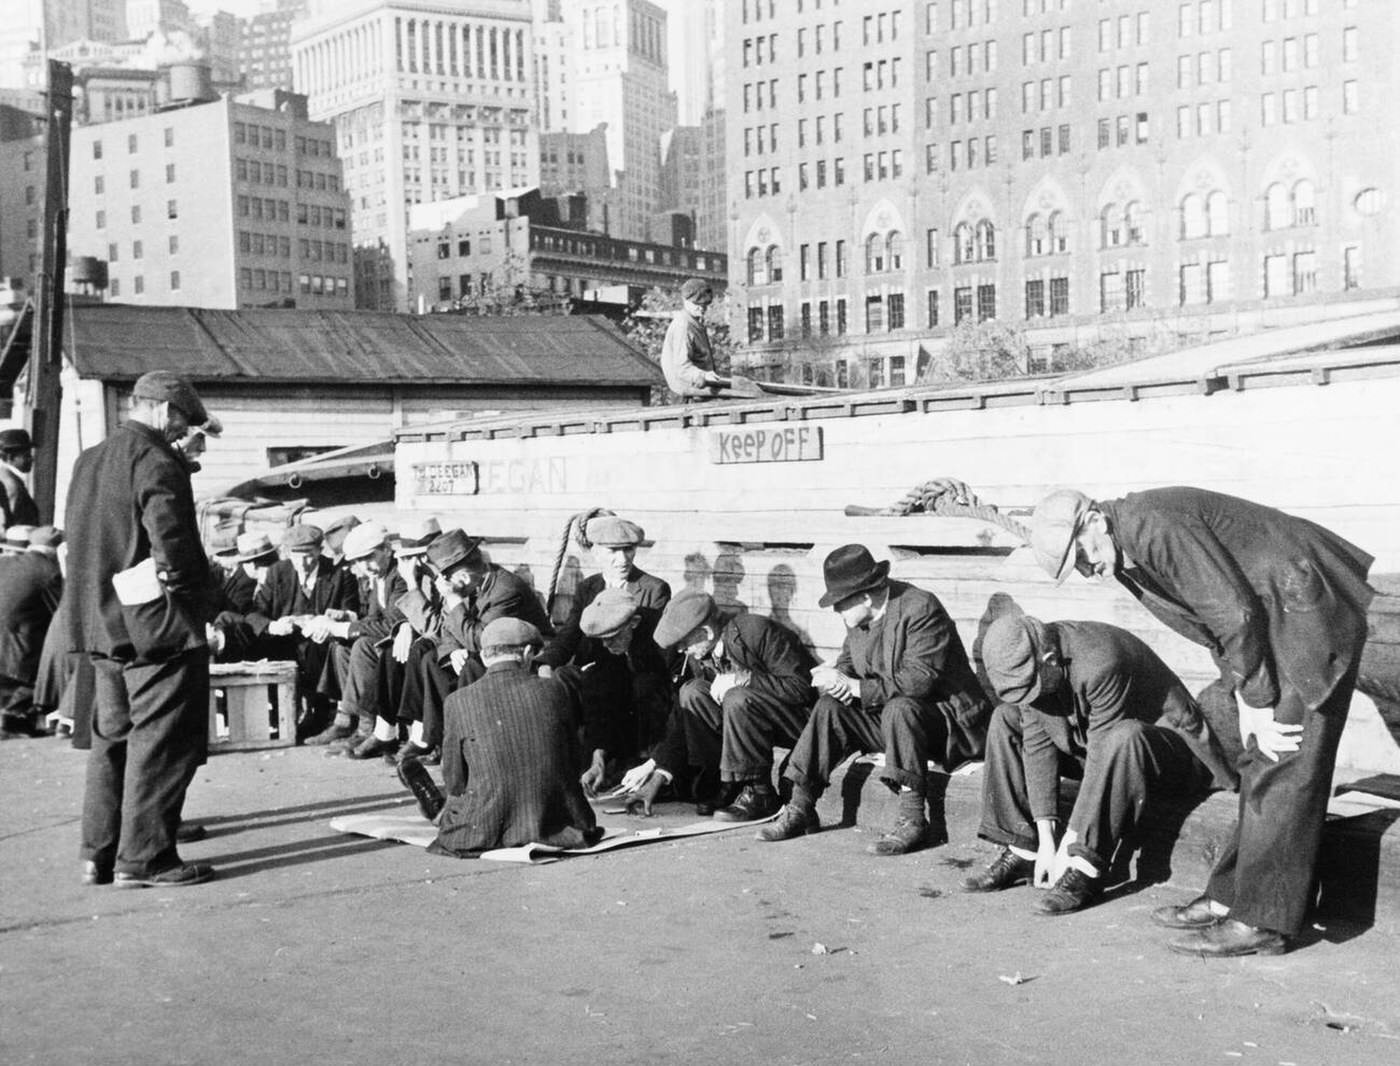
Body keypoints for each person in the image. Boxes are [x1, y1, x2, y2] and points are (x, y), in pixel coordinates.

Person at [1028, 485, 1374, 956]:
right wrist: (1243, 688)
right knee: (1259, 755)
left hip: (1305, 608)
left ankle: (1261, 921)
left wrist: (1254, 698)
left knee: (1283, 756)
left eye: (1082, 557)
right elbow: (1212, 625)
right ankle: (1229, 898)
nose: (1088, 571)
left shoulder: (1151, 526)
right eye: (1078, 570)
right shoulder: (1126, 551)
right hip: (1271, 617)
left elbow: (1233, 611)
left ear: (1093, 521)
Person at [963, 614, 1233, 914]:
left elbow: (1102, 755)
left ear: (1050, 660)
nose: (1030, 699)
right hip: (1100, 750)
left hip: (1171, 757)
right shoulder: (1039, 662)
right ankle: (1021, 847)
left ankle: (1085, 867)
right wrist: (1046, 839)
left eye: (1031, 688)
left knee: (1124, 735)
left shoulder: (1102, 661)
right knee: (1004, 719)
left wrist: (1071, 840)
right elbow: (1038, 745)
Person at [65, 371, 219, 888]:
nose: (183, 432)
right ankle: (146, 857)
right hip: (153, 632)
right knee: (161, 742)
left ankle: (97, 854)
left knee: (113, 740)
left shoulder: (89, 460)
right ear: (164, 411)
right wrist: (186, 608)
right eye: (183, 421)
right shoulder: (156, 460)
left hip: (100, 627)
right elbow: (170, 547)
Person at [757, 544, 992, 855]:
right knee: (831, 708)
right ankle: (800, 806)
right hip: (899, 725)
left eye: (840, 604)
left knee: (900, 707)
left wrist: (855, 688)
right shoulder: (859, 621)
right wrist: (836, 682)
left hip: (949, 725)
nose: (836, 611)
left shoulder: (919, 608)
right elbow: (847, 664)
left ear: (866, 596)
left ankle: (912, 819)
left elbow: (917, 681)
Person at [396, 617, 602, 857]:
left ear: (484, 658)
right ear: (527, 653)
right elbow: (572, 759)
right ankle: (443, 813)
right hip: (560, 824)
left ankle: (442, 814)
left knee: (461, 804)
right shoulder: (556, 690)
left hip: (485, 827)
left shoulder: (458, 701)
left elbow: (455, 780)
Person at [617, 589, 817, 821]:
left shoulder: (755, 631)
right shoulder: (700, 653)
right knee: (692, 692)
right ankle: (726, 784)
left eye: (684, 642)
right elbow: (685, 720)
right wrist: (659, 774)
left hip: (797, 722)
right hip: (750, 724)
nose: (681, 650)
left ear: (706, 632)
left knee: (737, 697)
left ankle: (761, 793)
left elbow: (802, 688)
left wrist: (745, 679)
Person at [384, 529, 555, 762]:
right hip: (488, 649)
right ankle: (439, 741)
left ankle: (469, 748)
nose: (442, 583)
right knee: (432, 661)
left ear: (462, 575)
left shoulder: (504, 590)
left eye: (445, 576)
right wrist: (453, 649)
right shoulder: (468, 585)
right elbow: (446, 627)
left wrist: (455, 602)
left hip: (525, 656)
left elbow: (487, 641)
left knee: (471, 665)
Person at [536, 515, 672, 791]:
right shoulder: (589, 586)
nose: (622, 559)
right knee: (561, 678)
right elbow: (571, 633)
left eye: (628, 550)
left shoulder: (654, 589)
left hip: (633, 667)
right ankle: (572, 761)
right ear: (596, 551)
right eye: (612, 551)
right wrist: (545, 663)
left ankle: (630, 761)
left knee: (637, 686)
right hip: (592, 667)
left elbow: (653, 646)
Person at [248, 523, 360, 742]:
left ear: (320, 551)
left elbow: (352, 611)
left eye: (309, 556)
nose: (303, 563)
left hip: (322, 643)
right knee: (267, 645)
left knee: (317, 648)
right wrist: (272, 625)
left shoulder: (339, 574)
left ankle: (319, 713)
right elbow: (254, 613)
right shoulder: (278, 572)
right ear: (288, 554)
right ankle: (278, 716)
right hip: (285, 641)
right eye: (296, 556)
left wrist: (334, 618)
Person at [0, 524, 64, 737]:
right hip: (15, 653)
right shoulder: (49, 571)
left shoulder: (6, 563)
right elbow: (62, 612)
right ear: (55, 551)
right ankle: (16, 714)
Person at [660, 278, 725, 399]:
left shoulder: (696, 323)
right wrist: (704, 375)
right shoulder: (683, 325)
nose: (702, 309)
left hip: (699, 389)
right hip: (687, 394)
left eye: (705, 305)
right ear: (685, 300)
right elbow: (681, 367)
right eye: (697, 304)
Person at [0, 427, 40, 528]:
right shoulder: (13, 485)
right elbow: (20, 525)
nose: (32, 459)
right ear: (10, 457)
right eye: (27, 456)